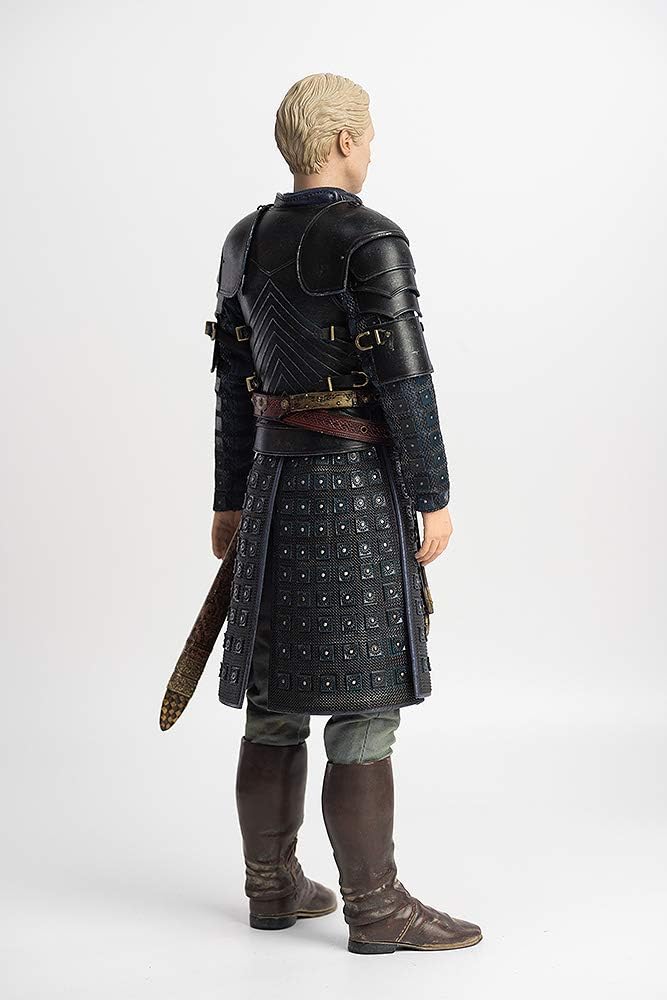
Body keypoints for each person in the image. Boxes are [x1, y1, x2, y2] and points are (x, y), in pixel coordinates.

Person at [208, 73, 481, 955]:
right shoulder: (371, 237)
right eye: (367, 132)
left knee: (273, 704)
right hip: (354, 491)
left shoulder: (244, 238)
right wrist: (432, 493)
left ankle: (271, 887)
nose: (371, 148)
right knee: (362, 708)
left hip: (271, 490)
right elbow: (405, 377)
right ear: (340, 141)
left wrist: (228, 497)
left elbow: (233, 385)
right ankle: (375, 907)